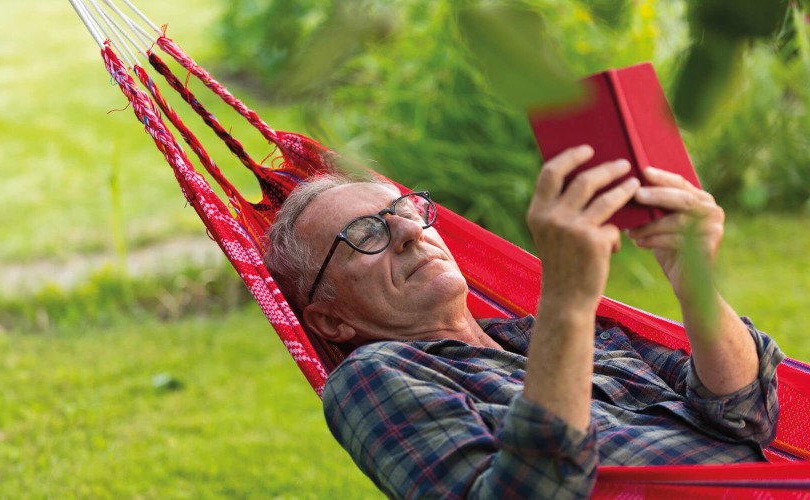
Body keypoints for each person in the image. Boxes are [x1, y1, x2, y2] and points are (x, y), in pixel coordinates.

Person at [262, 145, 783, 498]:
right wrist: (567, 296)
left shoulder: (546, 334)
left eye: (405, 208)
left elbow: (747, 414)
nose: (407, 230)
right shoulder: (372, 379)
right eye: (365, 234)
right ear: (330, 321)